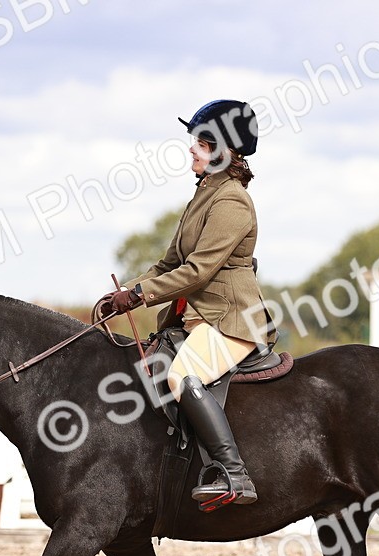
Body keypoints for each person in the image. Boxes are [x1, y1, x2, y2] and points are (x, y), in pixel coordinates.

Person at [105, 99, 275, 507]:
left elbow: (197, 271)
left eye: (200, 142)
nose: (191, 150)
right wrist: (123, 294)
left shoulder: (231, 201)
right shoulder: (203, 194)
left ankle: (234, 475)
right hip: (195, 320)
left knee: (181, 377)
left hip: (231, 321)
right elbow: (168, 264)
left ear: (221, 148)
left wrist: (143, 296)